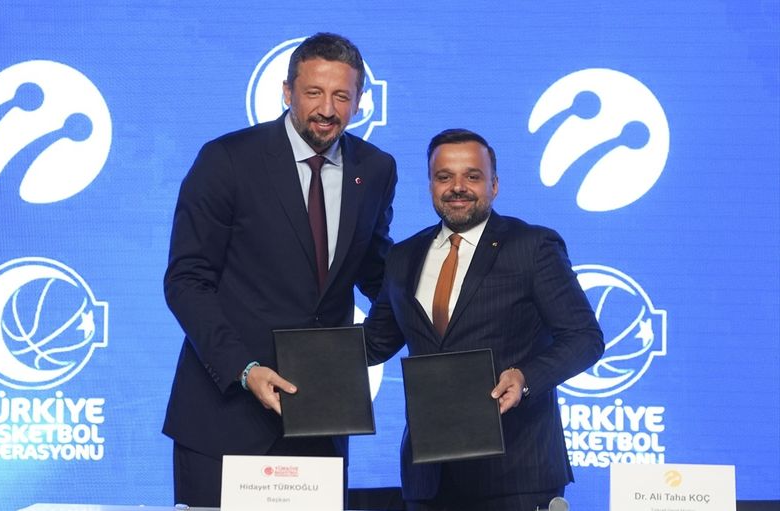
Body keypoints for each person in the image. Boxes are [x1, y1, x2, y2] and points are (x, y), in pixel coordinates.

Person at [163, 33, 397, 507]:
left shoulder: (375, 169)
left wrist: (433, 317)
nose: (327, 109)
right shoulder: (227, 160)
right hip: (224, 414)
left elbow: (376, 273)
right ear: (287, 91)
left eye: (342, 96)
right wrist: (244, 369)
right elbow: (187, 280)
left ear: (358, 102)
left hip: (320, 418)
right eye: (314, 92)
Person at [364, 129, 604, 511]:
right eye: (444, 176)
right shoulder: (403, 257)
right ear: (430, 184)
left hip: (517, 474)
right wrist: (286, 354)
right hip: (429, 480)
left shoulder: (532, 247)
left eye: (472, 176)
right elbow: (373, 344)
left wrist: (525, 377)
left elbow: (584, 338)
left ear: (494, 184)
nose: (457, 187)